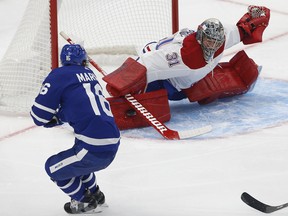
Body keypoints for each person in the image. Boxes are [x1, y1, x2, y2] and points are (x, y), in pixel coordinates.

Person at [104, 5, 270, 108]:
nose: (213, 46)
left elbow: (244, 29)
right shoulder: (183, 57)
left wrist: (256, 18)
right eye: (209, 42)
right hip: (168, 81)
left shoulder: (223, 35)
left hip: (175, 67)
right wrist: (118, 86)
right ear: (200, 37)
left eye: (216, 42)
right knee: (140, 87)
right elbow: (146, 65)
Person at [30, 44, 121, 214]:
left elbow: (39, 117)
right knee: (78, 161)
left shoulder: (59, 74)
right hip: (113, 142)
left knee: (53, 168)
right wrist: (60, 117)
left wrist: (51, 117)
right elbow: (80, 105)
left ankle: (85, 201)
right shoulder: (90, 75)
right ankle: (96, 194)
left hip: (93, 148)